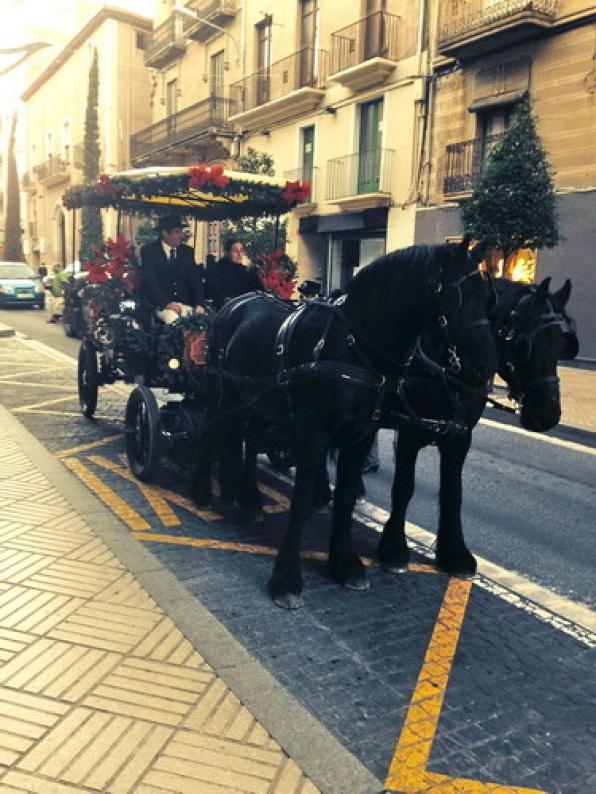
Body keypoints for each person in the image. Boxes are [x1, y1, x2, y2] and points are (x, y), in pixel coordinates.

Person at [140, 215, 205, 325]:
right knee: (174, 321)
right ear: (165, 233)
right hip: (161, 304)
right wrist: (167, 303)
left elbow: (196, 281)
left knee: (201, 323)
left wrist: (199, 304)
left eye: (181, 232)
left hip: (185, 303)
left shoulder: (187, 252)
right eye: (177, 232)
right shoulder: (149, 252)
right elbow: (151, 283)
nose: (181, 236)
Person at [205, 238, 262, 310]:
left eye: (241, 251)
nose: (239, 254)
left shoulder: (246, 271)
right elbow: (214, 293)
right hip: (225, 309)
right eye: (235, 251)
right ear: (227, 252)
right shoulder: (218, 269)